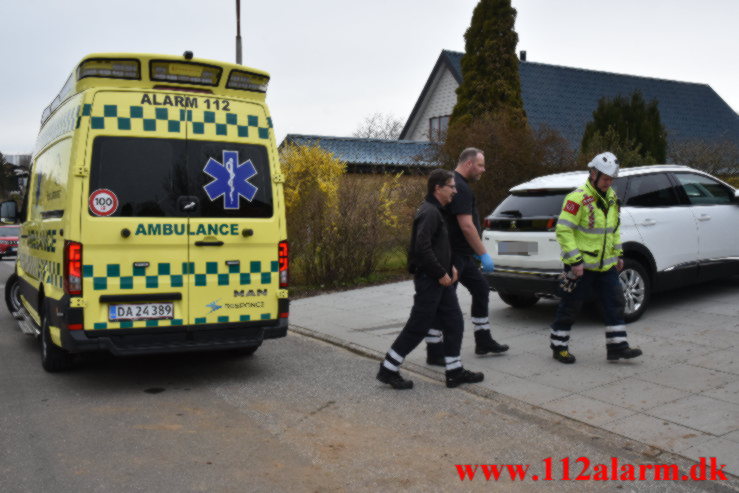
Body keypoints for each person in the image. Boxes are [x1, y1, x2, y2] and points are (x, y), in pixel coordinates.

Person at [377, 169, 484, 389]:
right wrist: (440, 273)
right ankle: (388, 369)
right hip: (431, 281)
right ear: (438, 188)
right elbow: (421, 249)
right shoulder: (429, 212)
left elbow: (438, 247)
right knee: (418, 326)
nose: (455, 191)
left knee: (454, 321)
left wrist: (450, 268)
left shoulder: (437, 210)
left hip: (441, 281)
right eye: (451, 186)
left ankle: (454, 371)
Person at [549, 151, 643, 363]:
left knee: (615, 303)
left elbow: (614, 230)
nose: (608, 183)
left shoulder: (611, 198)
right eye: (605, 179)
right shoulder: (577, 198)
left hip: (606, 266)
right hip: (581, 266)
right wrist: (575, 261)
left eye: (611, 179)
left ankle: (618, 347)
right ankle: (558, 345)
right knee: (571, 305)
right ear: (593, 174)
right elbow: (564, 231)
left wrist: (619, 254)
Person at [425, 148, 509, 366]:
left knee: (481, 289)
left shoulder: (457, 185)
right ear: (469, 164)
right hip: (453, 257)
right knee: (443, 301)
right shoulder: (460, 187)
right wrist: (483, 254)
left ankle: (483, 340)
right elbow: (466, 225)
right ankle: (434, 350)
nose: (484, 169)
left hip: (462, 254)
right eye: (481, 165)